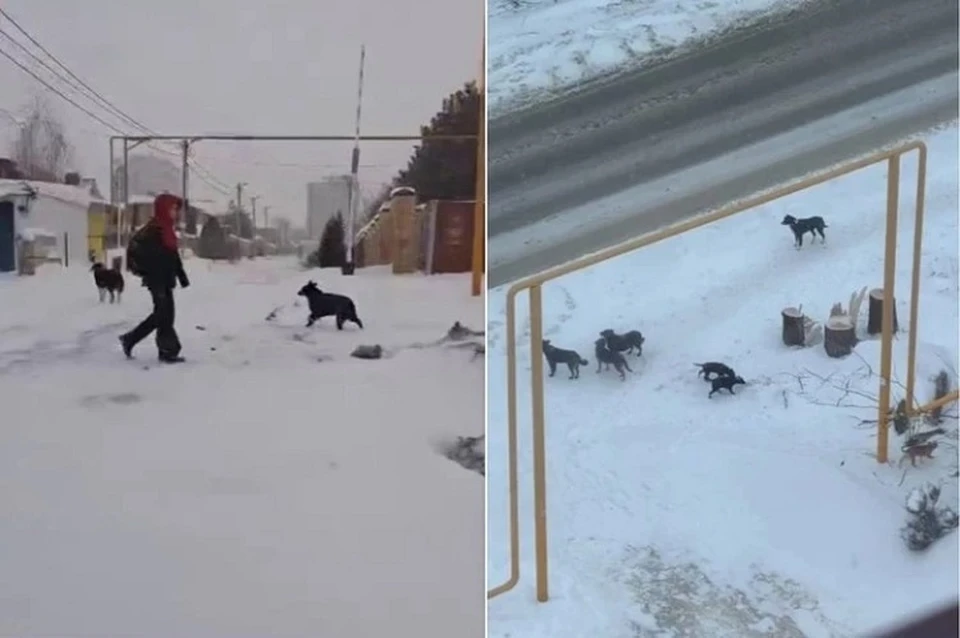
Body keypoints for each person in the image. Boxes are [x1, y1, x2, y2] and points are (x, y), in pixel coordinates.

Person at [119, 193, 190, 363]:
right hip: (157, 281)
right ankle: (164, 350)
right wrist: (150, 274)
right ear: (163, 209)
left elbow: (172, 256)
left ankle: (135, 341)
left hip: (166, 279)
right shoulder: (153, 230)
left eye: (176, 209)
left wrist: (181, 276)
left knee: (165, 315)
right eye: (172, 208)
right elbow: (146, 255)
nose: (175, 212)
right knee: (163, 315)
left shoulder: (167, 229)